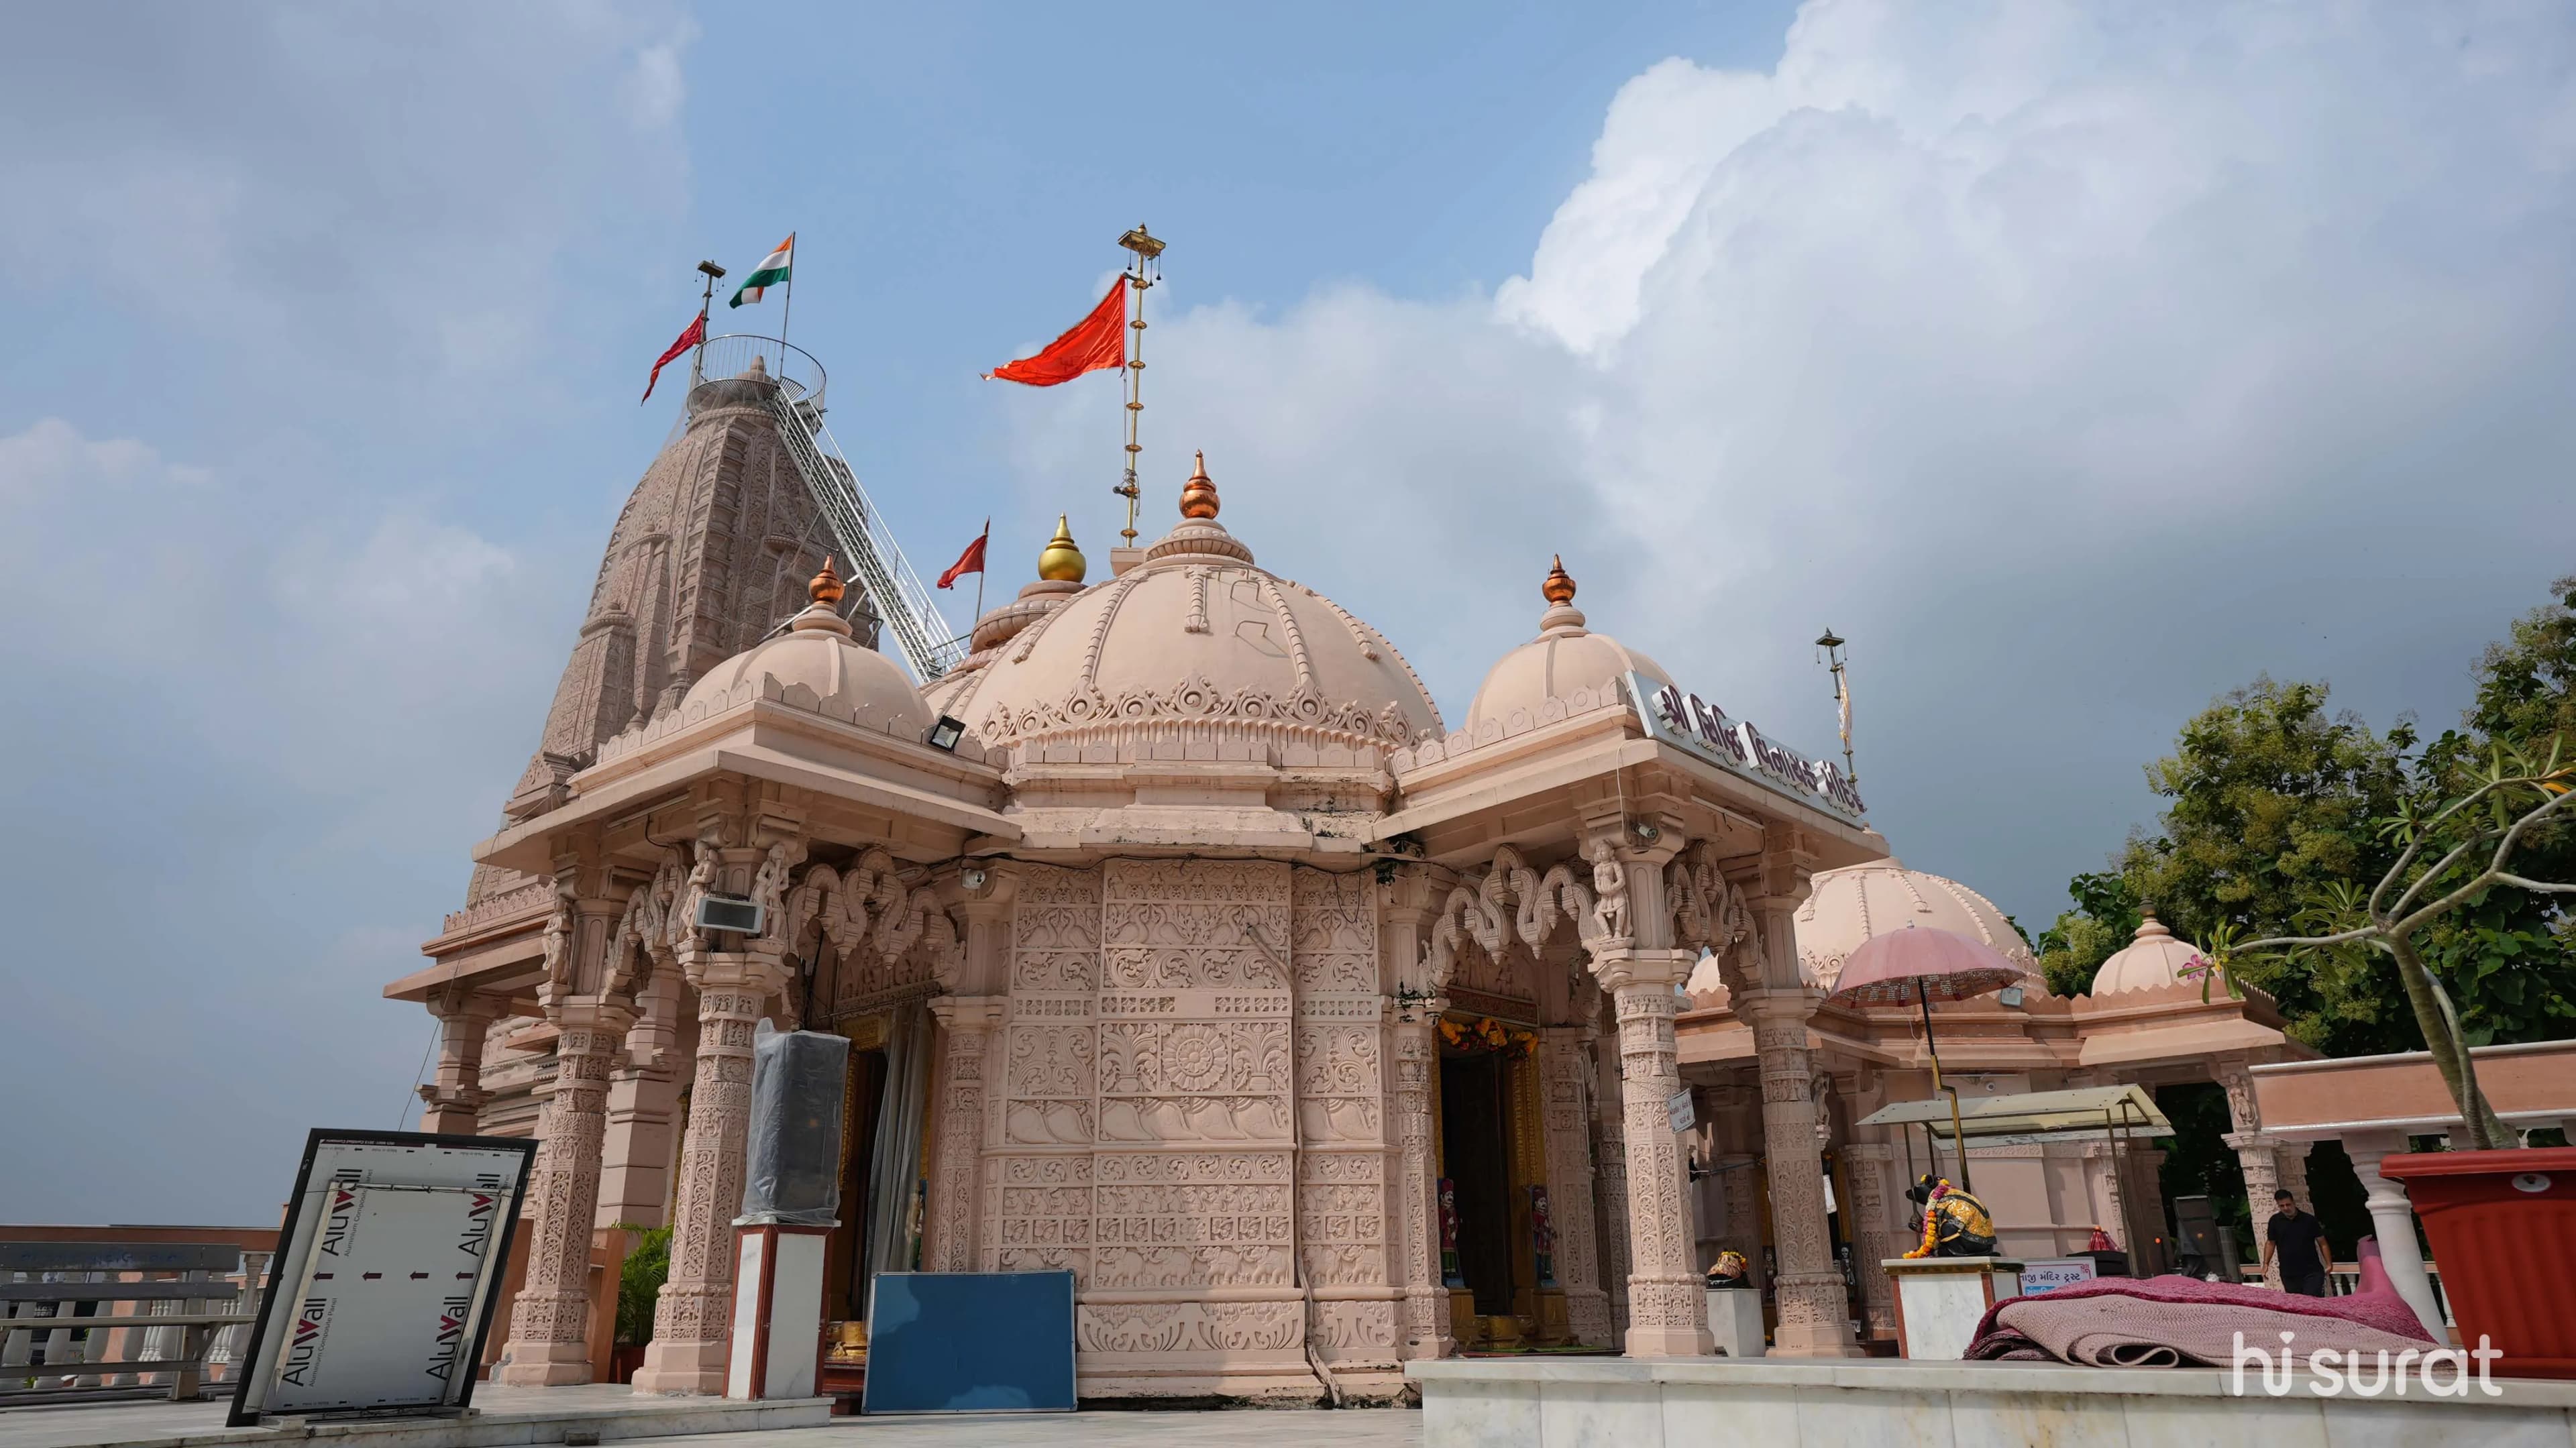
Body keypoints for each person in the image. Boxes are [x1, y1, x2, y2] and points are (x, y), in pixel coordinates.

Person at [1902, 1174, 1998, 1258]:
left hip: (1970, 1242)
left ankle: (1955, 1251)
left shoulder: (1941, 1201)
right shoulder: (1952, 1194)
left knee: (1947, 1226)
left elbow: (1936, 1226)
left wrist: (1923, 1228)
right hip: (1985, 1243)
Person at [2263, 1187, 2333, 1296]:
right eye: (2282, 1206)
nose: (2286, 1208)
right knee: (2297, 1305)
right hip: (2289, 1273)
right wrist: (2266, 1264)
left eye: (2288, 1204)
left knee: (2312, 1302)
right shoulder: (2275, 1221)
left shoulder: (2309, 1220)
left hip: (2312, 1271)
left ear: (2293, 1203)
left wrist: (2329, 1263)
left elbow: (2322, 1242)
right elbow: (2271, 1243)